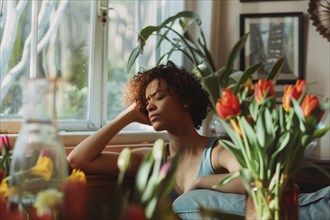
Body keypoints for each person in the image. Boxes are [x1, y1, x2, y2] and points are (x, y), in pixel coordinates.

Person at [67, 61, 245, 200]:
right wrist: (128, 115)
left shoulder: (217, 151)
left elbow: (252, 179)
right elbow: (77, 160)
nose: (150, 106)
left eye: (159, 97)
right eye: (146, 102)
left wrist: (201, 182)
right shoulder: (152, 159)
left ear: (185, 99)